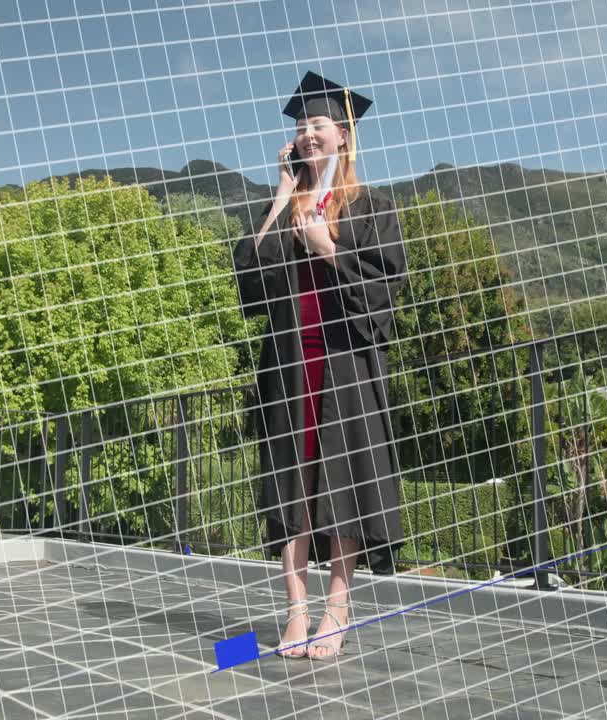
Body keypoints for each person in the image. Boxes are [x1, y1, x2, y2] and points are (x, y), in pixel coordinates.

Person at [232, 72, 407, 661]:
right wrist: (282, 196)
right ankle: (295, 614)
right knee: (292, 490)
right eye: (301, 127)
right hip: (288, 367)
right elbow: (251, 288)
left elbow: (385, 294)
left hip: (344, 368)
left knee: (343, 484)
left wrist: (327, 248)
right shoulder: (285, 208)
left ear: (342, 136)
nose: (308, 135)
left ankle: (337, 609)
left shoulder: (370, 207)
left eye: (319, 125)